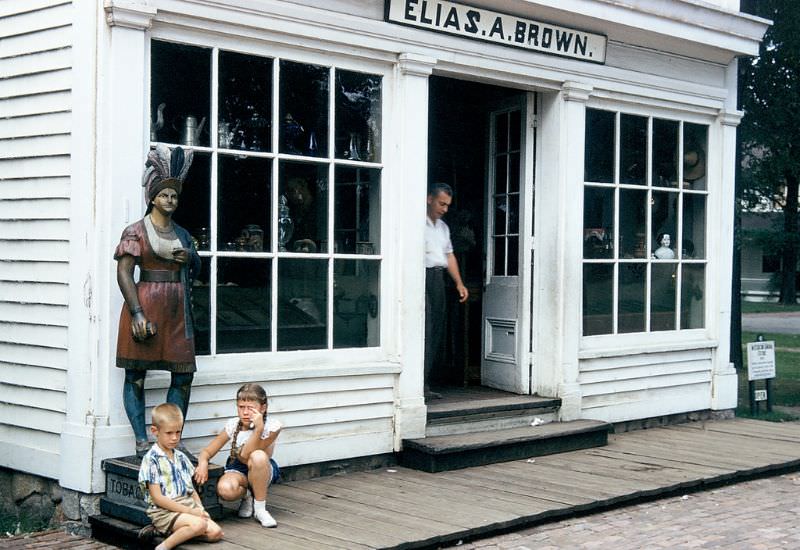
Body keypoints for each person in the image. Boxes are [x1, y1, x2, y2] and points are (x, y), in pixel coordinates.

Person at [115, 144, 201, 457]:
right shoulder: (135, 232)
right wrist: (137, 312)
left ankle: (172, 439)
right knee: (135, 375)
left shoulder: (183, 234)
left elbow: (198, 268)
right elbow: (124, 273)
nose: (170, 200)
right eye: (164, 195)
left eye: (174, 196)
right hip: (146, 305)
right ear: (152, 197)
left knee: (183, 375)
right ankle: (142, 439)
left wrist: (189, 258)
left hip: (178, 311)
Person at [194, 383, 282, 528]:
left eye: (250, 408)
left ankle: (260, 509)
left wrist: (258, 429)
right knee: (225, 489)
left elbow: (247, 454)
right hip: (238, 469)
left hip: (262, 468)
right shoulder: (233, 425)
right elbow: (207, 451)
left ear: (263, 408)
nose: (245, 412)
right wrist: (203, 463)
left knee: (258, 455)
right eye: (241, 407)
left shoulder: (272, 426)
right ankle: (248, 495)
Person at [138, 403, 223, 549]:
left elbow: (191, 489)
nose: (174, 438)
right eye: (169, 433)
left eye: (178, 432)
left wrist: (200, 509)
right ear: (155, 431)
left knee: (216, 533)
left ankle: (168, 532)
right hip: (164, 511)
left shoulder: (181, 458)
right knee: (199, 525)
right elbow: (158, 498)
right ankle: (163, 546)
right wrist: (190, 512)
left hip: (186, 505)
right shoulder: (152, 460)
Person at [424, 183, 469, 400]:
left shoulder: (442, 227)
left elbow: (449, 255)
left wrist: (459, 283)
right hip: (421, 276)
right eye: (442, 204)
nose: (445, 209)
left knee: (436, 330)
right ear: (429, 199)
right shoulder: (416, 223)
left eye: (447, 205)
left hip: (438, 278)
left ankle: (424, 383)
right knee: (424, 329)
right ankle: (415, 385)